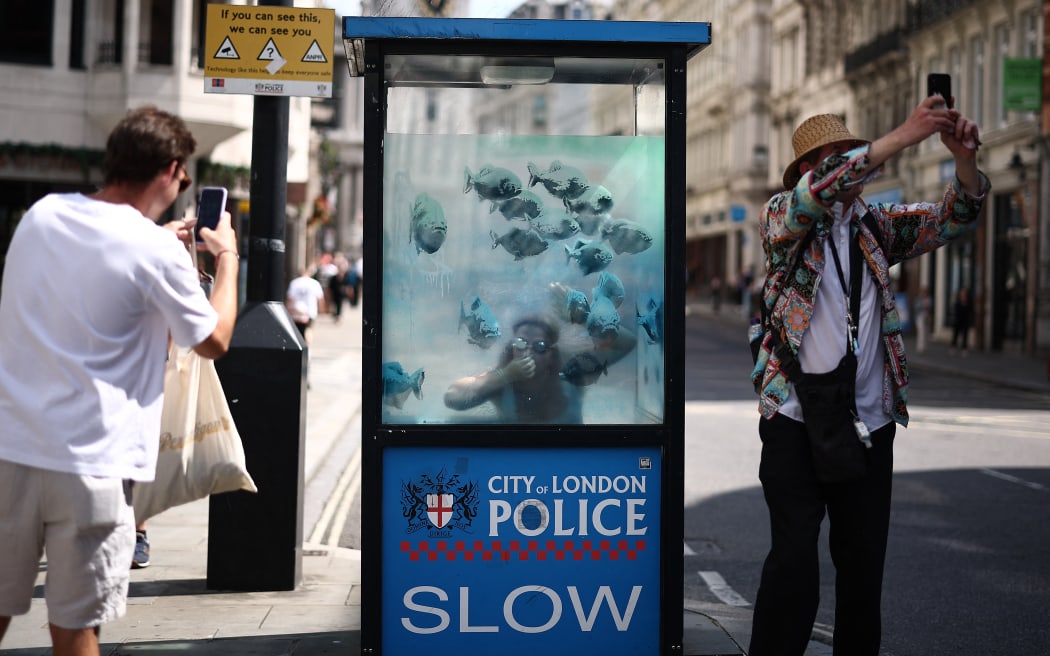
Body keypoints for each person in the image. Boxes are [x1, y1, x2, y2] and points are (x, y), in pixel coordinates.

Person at [748, 98, 989, 656]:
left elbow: (953, 216)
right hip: (794, 419)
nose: (845, 168)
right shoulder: (782, 219)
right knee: (793, 564)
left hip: (868, 424)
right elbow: (824, 190)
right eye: (832, 159)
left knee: (862, 572)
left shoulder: (876, 227)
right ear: (807, 170)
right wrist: (903, 135)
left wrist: (966, 162)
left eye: (850, 155)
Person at [0, 105, 240, 655]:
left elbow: (101, 262)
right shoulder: (154, 250)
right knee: (75, 628)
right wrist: (224, 257)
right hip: (91, 464)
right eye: (183, 178)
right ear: (171, 171)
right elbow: (215, 339)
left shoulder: (42, 216)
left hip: (10, 449)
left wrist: (159, 239)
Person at [444, 315, 583, 423]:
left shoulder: (570, 380)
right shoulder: (502, 380)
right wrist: (505, 376)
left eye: (539, 346)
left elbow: (602, 352)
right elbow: (452, 396)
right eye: (521, 343)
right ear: (512, 348)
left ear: (551, 355)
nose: (528, 352)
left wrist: (582, 318)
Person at [286, 266, 326, 345]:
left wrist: (288, 309)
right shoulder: (314, 283)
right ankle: (307, 346)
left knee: (297, 331)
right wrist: (322, 309)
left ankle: (299, 345)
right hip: (310, 310)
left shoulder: (294, 282)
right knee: (308, 329)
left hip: (296, 310)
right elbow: (320, 298)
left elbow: (290, 298)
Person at [950, 286, 973, 355]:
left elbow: (970, 311)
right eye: (962, 293)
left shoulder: (968, 302)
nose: (963, 294)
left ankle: (964, 349)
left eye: (964, 293)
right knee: (955, 334)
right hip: (958, 321)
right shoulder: (958, 302)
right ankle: (953, 347)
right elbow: (956, 311)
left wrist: (970, 319)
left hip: (965, 321)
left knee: (965, 335)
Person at [915, 286, 932, 354]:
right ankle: (920, 348)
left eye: (925, 292)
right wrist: (922, 306)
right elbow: (916, 307)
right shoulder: (919, 299)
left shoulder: (929, 299)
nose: (924, 294)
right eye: (923, 292)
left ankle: (925, 347)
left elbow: (930, 308)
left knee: (926, 332)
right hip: (920, 317)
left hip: (927, 316)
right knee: (921, 332)